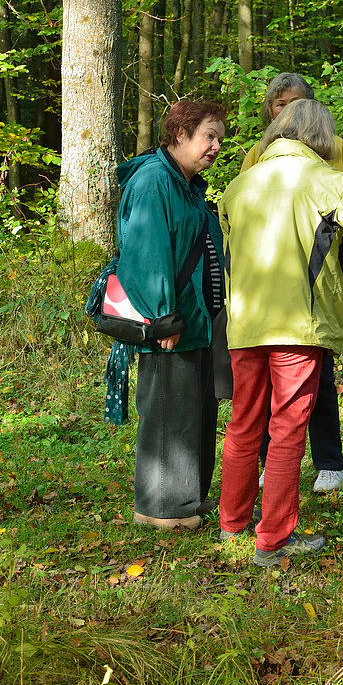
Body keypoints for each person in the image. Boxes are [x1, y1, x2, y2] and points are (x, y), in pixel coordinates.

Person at [219, 100, 343, 565]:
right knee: (287, 429)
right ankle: (273, 540)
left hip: (245, 324)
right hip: (300, 324)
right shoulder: (324, 180)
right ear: (321, 136)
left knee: (243, 423)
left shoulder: (238, 186)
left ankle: (233, 524)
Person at [240, 72, 343, 494]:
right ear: (269, 109)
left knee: (318, 375)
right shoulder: (258, 152)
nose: (287, 111)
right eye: (279, 104)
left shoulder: (334, 148)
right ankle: (273, 464)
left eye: (296, 103)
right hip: (264, 283)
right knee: (269, 386)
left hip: (315, 278)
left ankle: (329, 461)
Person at [114, 100, 227, 530]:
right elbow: (147, 253)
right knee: (168, 410)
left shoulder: (186, 183)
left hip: (198, 322)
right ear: (180, 134)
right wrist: (163, 316)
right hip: (172, 324)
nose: (216, 146)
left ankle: (187, 500)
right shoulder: (153, 182)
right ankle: (161, 508)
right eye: (208, 136)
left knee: (194, 412)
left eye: (219, 138)